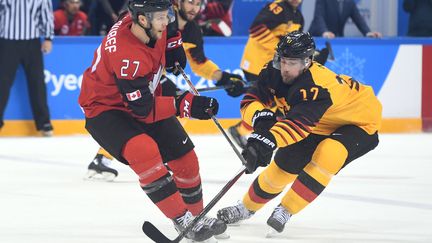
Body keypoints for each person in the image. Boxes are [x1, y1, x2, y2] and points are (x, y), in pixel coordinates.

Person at [78, 0, 227, 241]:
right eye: (160, 17)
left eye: (167, 14)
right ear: (143, 20)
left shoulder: (146, 22)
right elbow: (143, 110)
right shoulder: (127, 56)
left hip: (143, 94)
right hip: (105, 109)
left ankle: (197, 217)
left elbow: (167, 33)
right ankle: (182, 219)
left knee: (185, 156)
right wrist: (185, 104)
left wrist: (173, 40)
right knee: (143, 150)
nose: (166, 21)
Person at [217, 31, 382, 235]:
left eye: (292, 63)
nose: (285, 68)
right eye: (282, 60)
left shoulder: (316, 86)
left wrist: (266, 140)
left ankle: (286, 209)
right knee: (284, 164)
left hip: (360, 121)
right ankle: (246, 207)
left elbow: (297, 126)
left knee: (329, 153)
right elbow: (250, 101)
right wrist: (261, 120)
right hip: (321, 120)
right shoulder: (273, 70)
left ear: (307, 62)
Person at [85, 0, 245, 181]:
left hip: (154, 75)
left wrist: (223, 77)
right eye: (190, 3)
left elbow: (199, 63)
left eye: (198, 4)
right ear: (178, 3)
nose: (194, 8)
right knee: (168, 106)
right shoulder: (157, 15)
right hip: (138, 74)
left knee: (178, 107)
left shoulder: (192, 30)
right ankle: (103, 158)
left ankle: (158, 155)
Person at [229, 0, 329, 149]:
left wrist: (312, 55)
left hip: (276, 66)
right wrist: (281, 50)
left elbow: (295, 45)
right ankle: (242, 131)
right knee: (269, 101)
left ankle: (241, 130)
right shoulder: (277, 8)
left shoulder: (298, 16)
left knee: (275, 103)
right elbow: (256, 29)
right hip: (257, 63)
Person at [0, 0, 54, 136]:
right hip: (6, 41)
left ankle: (44, 123)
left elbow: (46, 13)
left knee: (37, 83)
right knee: (2, 83)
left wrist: (48, 38)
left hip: (32, 41)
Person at [308, 0, 382, 38]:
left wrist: (368, 33)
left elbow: (358, 19)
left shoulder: (350, 2)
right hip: (317, 37)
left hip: (337, 39)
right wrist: (324, 32)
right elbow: (318, 16)